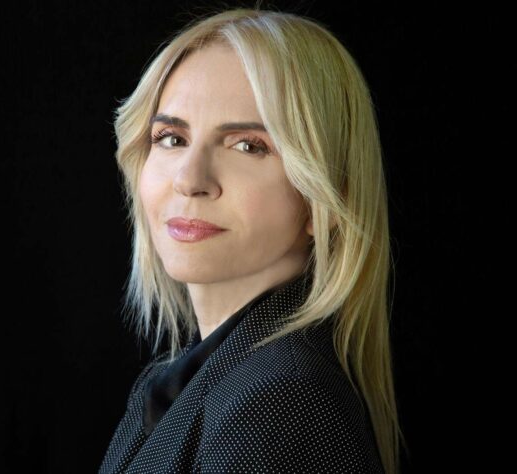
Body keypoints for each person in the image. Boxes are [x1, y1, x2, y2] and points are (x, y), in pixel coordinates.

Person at [99, 6, 406, 474]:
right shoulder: (192, 381)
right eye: (172, 138)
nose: (190, 180)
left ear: (326, 195)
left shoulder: (281, 401)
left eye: (248, 145)